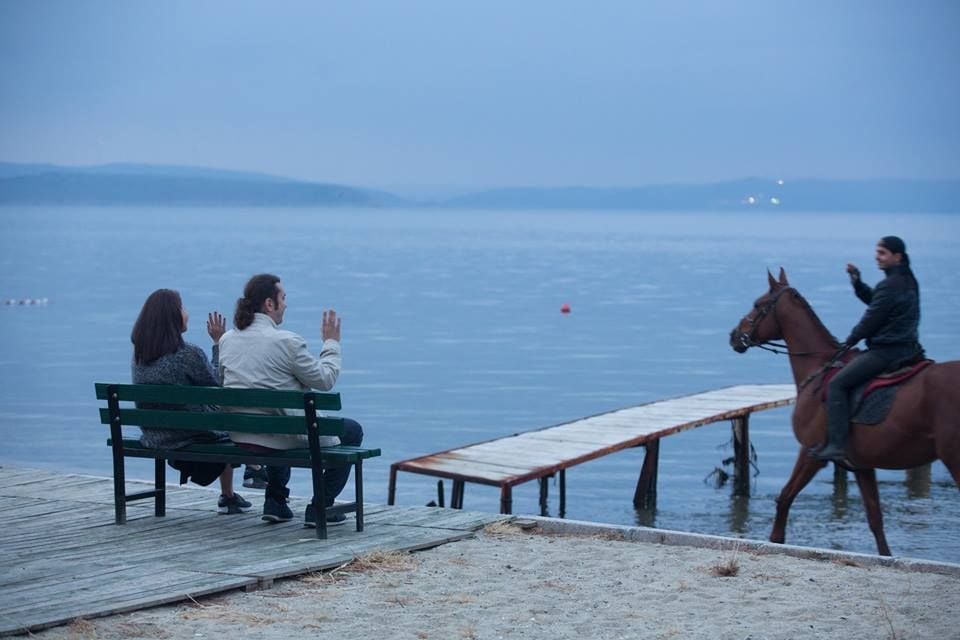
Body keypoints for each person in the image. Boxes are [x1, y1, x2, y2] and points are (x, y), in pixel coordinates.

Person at [218, 274, 364, 527]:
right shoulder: (287, 342)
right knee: (351, 431)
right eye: (283, 298)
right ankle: (321, 506)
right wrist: (331, 343)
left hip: (242, 435)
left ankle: (275, 503)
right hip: (281, 434)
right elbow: (325, 380)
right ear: (269, 304)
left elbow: (223, 383)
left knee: (278, 423)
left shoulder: (227, 340)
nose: (286, 304)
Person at [130, 289, 252, 514]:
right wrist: (218, 344)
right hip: (190, 436)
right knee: (228, 414)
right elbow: (219, 384)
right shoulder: (188, 354)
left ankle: (228, 495)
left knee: (214, 413)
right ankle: (255, 469)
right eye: (183, 309)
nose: (187, 314)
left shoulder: (139, 356)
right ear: (172, 317)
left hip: (155, 436)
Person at [810, 236, 922, 462]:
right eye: (877, 252)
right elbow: (879, 303)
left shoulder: (889, 285)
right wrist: (857, 283)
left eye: (882, 253)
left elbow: (870, 320)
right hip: (910, 349)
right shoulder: (908, 280)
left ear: (897, 257)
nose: (876, 256)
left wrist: (849, 341)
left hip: (886, 353)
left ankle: (836, 446)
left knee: (837, 384)